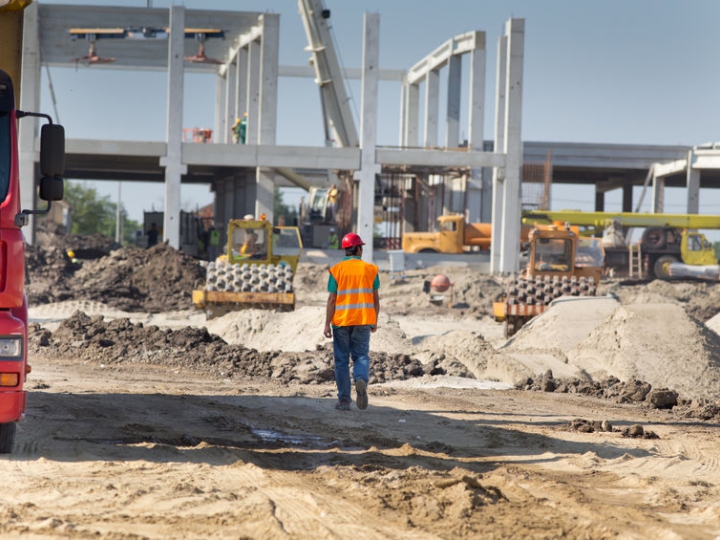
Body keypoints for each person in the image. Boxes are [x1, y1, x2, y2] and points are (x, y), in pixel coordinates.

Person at [323, 233, 380, 411]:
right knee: (361, 356)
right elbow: (376, 300)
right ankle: (361, 379)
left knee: (341, 361)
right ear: (358, 248)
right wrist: (374, 321)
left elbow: (332, 299)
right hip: (363, 320)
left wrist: (326, 323)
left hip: (341, 322)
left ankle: (344, 401)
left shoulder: (337, 270)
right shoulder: (370, 269)